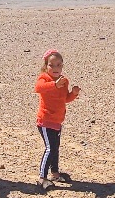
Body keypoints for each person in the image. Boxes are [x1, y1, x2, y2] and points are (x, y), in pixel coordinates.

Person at [34, 50, 81, 190]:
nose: (55, 68)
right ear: (46, 66)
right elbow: (38, 88)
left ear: (62, 66)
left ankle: (55, 173)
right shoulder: (44, 78)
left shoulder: (64, 80)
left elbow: (65, 99)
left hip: (57, 121)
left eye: (58, 65)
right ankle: (42, 178)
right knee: (50, 148)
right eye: (51, 65)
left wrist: (73, 94)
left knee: (55, 148)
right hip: (45, 121)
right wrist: (54, 84)